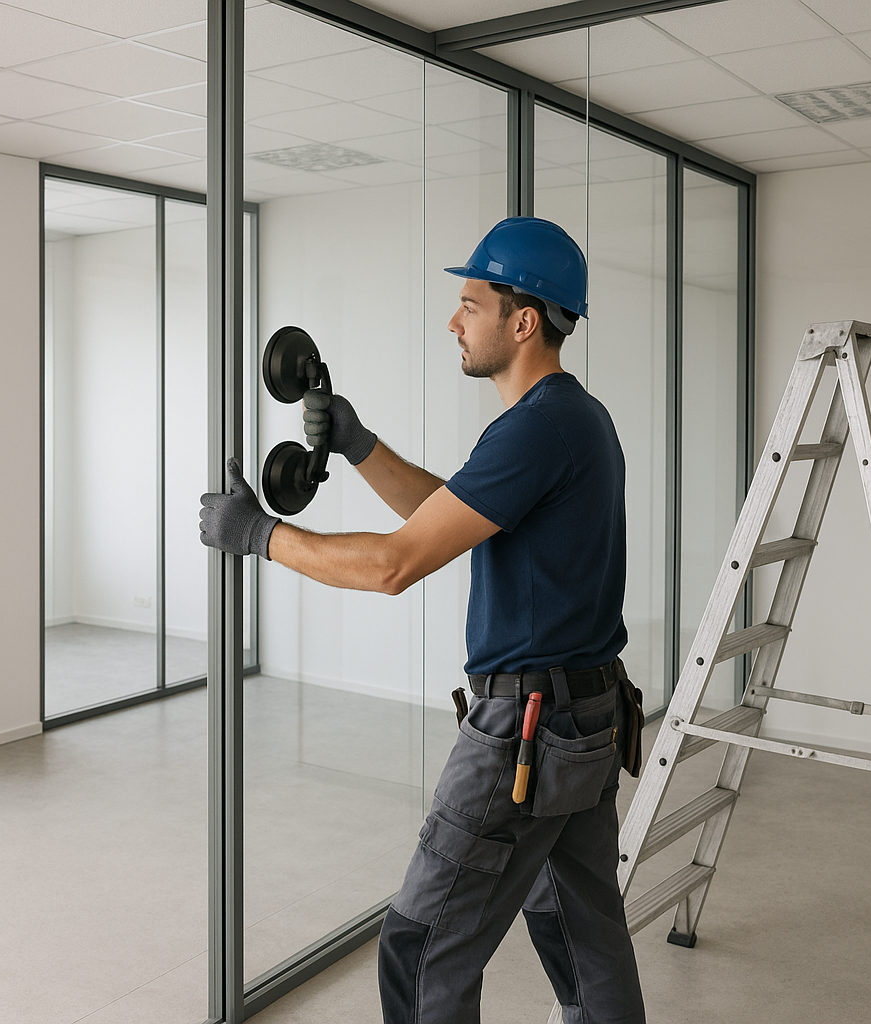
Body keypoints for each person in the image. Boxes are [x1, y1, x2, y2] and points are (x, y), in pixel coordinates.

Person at [200, 216, 647, 1024]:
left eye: (470, 304)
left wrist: (259, 535)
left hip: (528, 728)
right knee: (585, 937)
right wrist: (360, 444)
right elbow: (452, 512)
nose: (453, 322)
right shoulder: (573, 418)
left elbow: (396, 563)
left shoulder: (538, 428)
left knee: (418, 947)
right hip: (584, 717)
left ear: (522, 321)